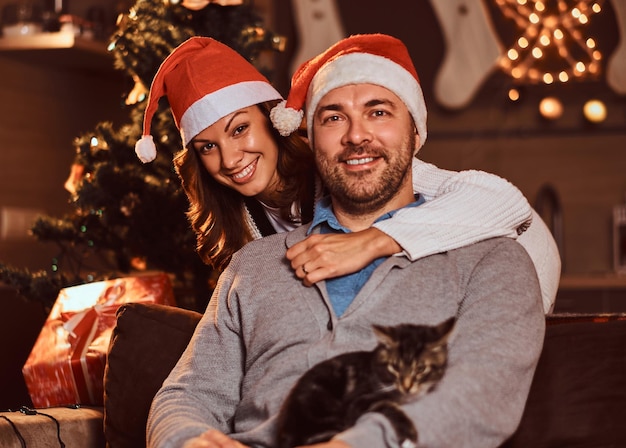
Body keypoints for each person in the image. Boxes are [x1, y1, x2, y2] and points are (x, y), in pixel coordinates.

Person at [147, 33, 546, 448]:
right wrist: (186, 439)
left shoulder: (490, 256)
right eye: (333, 117)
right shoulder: (252, 265)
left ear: (414, 130)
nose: (356, 135)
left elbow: (482, 394)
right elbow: (188, 393)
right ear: (310, 136)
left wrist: (378, 239)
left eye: (378, 112)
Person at [135, 37, 559, 313]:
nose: (229, 159)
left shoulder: (343, 165)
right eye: (207, 147)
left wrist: (368, 242)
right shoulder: (239, 221)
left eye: (240, 129)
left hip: (524, 266)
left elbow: (502, 201)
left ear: (274, 120)